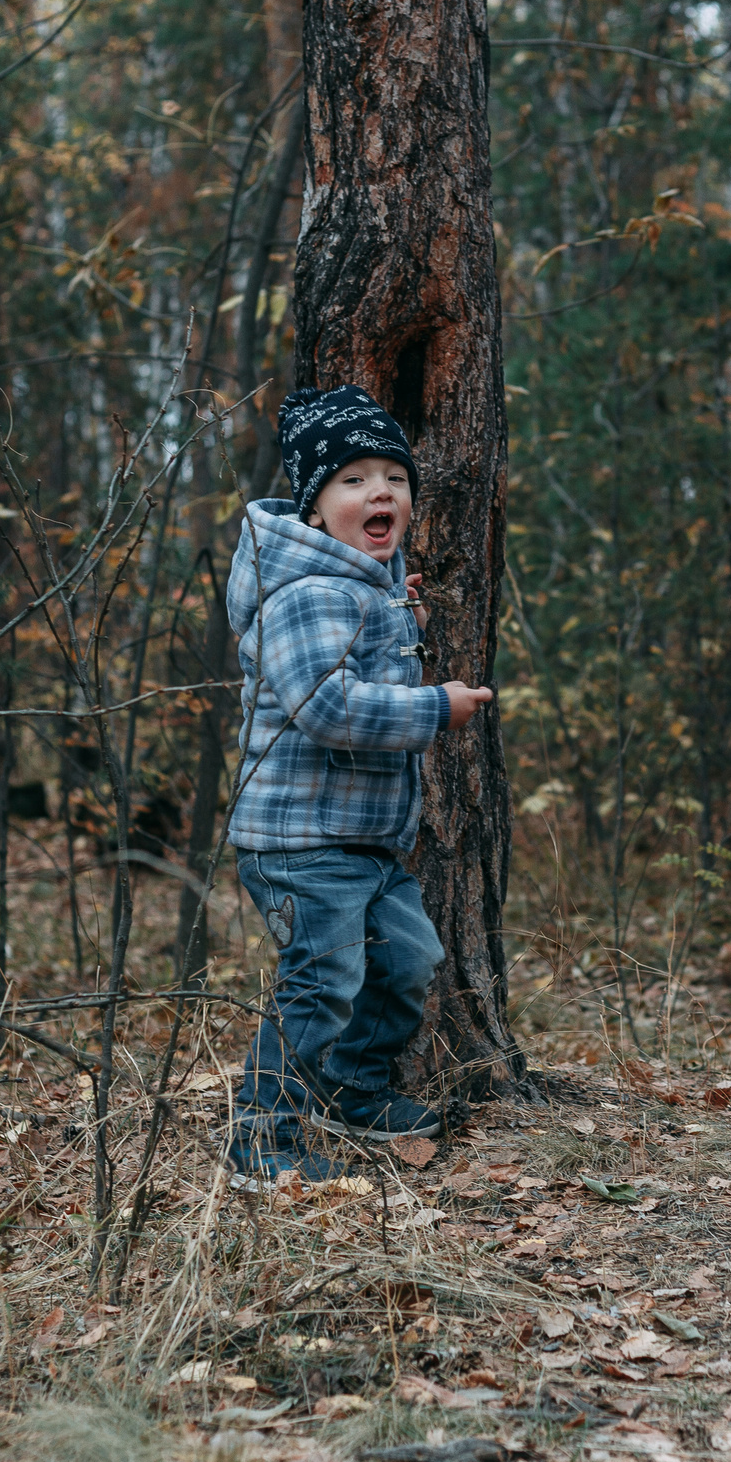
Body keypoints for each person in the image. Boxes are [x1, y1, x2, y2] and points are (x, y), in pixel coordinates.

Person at [222, 383, 494, 1182]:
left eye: (394, 477)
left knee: (407, 959)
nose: (380, 492)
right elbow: (323, 706)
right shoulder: (308, 591)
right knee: (322, 981)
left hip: (362, 842)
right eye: (352, 479)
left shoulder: (361, 588)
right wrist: (433, 709)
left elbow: (352, 652)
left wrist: (388, 616)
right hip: (301, 843)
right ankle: (263, 1137)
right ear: (314, 508)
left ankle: (353, 1088)